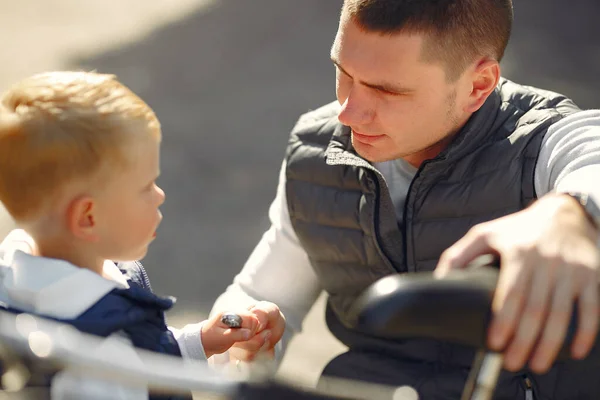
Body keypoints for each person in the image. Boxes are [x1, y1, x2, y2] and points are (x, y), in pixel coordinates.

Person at [210, 0, 600, 398]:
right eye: (343, 73)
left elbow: (591, 153)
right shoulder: (317, 150)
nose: (348, 113)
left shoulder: (541, 142)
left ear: (478, 85)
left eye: (386, 91)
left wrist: (570, 214)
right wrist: (245, 335)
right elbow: (265, 295)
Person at [0, 71, 284, 399]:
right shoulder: (95, 362)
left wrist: (200, 341)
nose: (160, 195)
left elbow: (142, 355)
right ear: (88, 217)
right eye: (146, 186)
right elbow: (128, 365)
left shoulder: (20, 275)